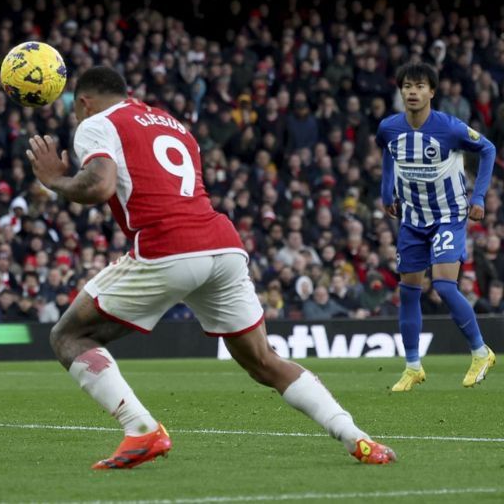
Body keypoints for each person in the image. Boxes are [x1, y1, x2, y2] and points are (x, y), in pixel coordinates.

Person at [30, 66, 394, 469]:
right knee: (265, 361)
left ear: (85, 102)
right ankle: (357, 438)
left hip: (167, 246)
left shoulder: (97, 122)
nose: (78, 122)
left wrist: (55, 180)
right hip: (222, 245)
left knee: (68, 335)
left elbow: (99, 186)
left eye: (77, 113)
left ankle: (140, 429)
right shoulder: (173, 123)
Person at [377, 61, 497, 391]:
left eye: (419, 86)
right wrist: (386, 190)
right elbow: (387, 153)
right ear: (401, 91)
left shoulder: (450, 128)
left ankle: (480, 351)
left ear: (432, 91)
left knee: (444, 286)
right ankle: (413, 366)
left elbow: (488, 149)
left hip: (449, 214)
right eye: (407, 86)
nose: (412, 92)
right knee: (409, 291)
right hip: (412, 219)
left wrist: (479, 197)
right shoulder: (389, 127)